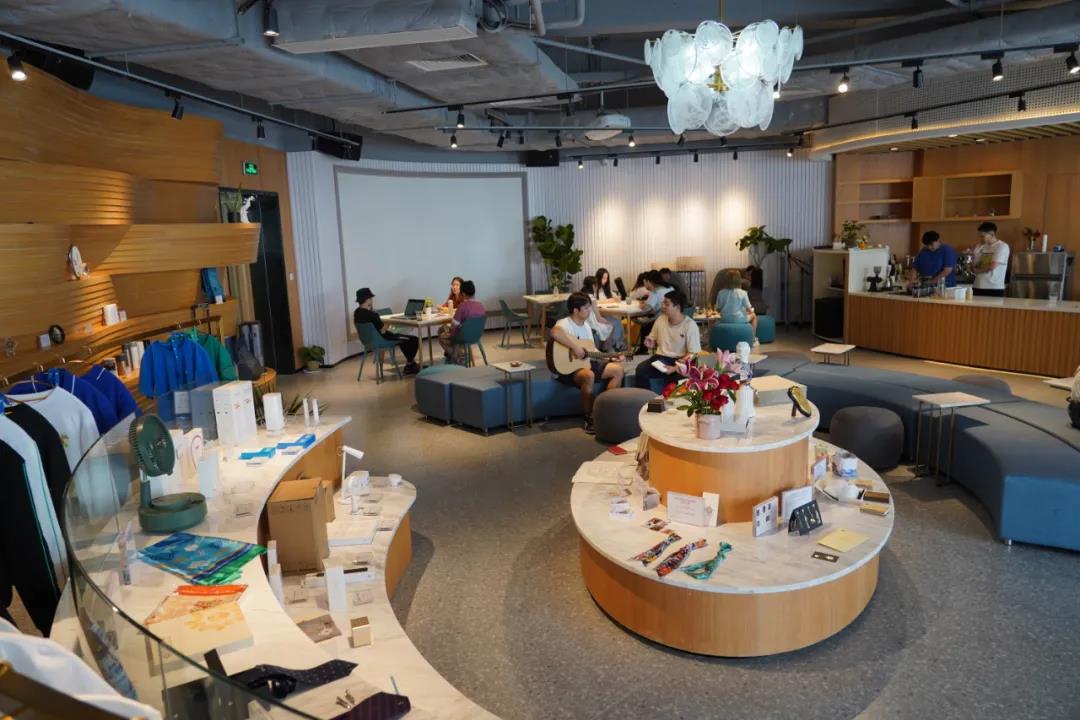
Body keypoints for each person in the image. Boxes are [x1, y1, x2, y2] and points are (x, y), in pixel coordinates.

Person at [550, 292, 625, 434]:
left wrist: (610, 357)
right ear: (575, 310)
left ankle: (606, 410)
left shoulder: (586, 327)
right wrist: (575, 347)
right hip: (567, 369)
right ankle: (589, 417)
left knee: (618, 370)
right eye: (586, 308)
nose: (590, 310)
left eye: (590, 307)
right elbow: (554, 333)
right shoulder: (564, 323)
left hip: (585, 364)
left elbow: (592, 351)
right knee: (589, 375)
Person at [634, 290, 701, 390]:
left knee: (675, 380)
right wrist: (651, 342)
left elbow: (693, 353)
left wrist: (675, 368)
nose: (662, 306)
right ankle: (646, 397)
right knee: (641, 369)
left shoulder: (690, 325)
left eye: (667, 304)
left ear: (677, 307)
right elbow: (652, 338)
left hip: (680, 360)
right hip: (661, 358)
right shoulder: (661, 319)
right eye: (663, 303)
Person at [354, 288, 420, 374]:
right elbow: (383, 331)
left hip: (368, 341)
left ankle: (411, 364)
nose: (372, 300)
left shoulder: (356, 313)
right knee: (413, 339)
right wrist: (389, 323)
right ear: (367, 299)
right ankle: (410, 364)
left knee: (404, 339)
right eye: (370, 298)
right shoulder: (372, 315)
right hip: (383, 339)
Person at [438, 280, 486, 363]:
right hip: (477, 335)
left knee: (442, 337)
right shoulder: (481, 306)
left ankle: (457, 357)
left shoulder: (462, 306)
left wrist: (450, 331)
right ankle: (460, 355)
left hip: (463, 337)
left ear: (463, 293)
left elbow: (454, 326)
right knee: (450, 332)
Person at [714, 268, 758, 346]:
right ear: (739, 280)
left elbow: (717, 309)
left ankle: (714, 341)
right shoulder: (743, 293)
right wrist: (750, 311)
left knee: (713, 320)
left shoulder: (721, 292)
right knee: (754, 316)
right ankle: (753, 339)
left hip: (725, 319)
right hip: (739, 319)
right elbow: (749, 309)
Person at [581, 278, 626, 351]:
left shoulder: (582, 296)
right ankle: (606, 349)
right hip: (592, 324)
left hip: (584, 322)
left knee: (609, 325)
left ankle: (605, 349)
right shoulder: (592, 298)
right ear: (593, 286)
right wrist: (608, 322)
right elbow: (598, 318)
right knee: (611, 326)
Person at [635, 270, 674, 353]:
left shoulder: (655, 291)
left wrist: (642, 305)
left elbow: (648, 308)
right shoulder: (670, 288)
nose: (645, 285)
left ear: (649, 281)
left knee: (644, 325)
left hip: (661, 319)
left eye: (645, 282)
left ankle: (643, 349)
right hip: (672, 318)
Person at [972, 221, 1010, 297]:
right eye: (979, 236)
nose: (981, 238)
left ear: (992, 234)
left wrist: (977, 270)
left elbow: (992, 266)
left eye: (983, 236)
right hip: (977, 285)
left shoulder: (1002, 246)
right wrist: (973, 255)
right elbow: (974, 267)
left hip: (993, 288)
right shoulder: (981, 247)